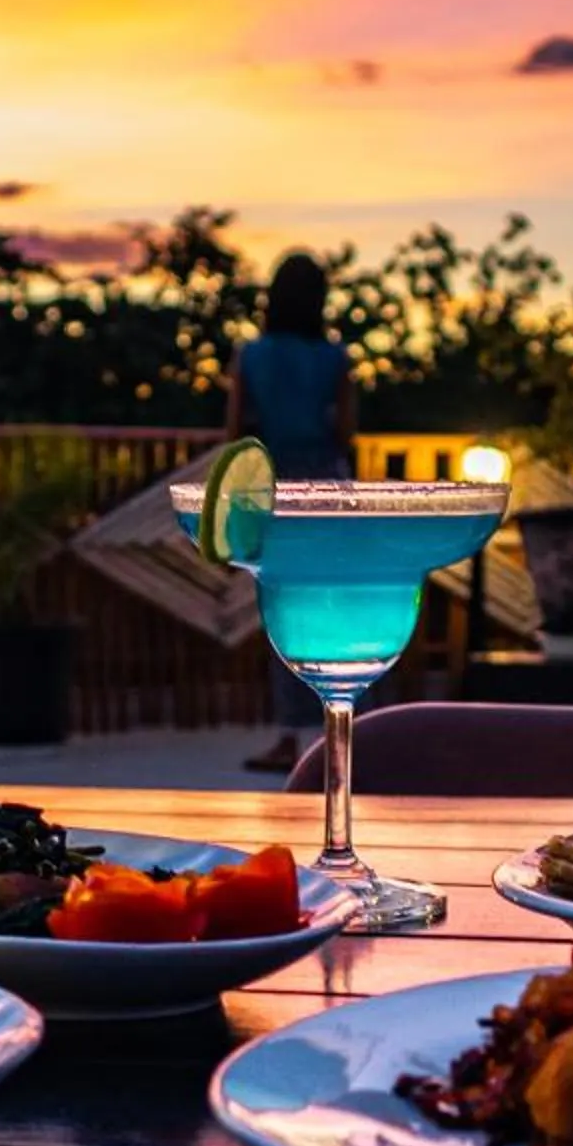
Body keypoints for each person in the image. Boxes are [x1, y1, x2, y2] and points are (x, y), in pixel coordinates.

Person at [226, 251, 357, 773]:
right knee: (336, 604)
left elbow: (235, 428)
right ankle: (343, 731)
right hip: (327, 479)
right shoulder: (335, 358)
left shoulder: (251, 355)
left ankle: (289, 736)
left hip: (270, 479)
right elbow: (346, 431)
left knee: (279, 602)